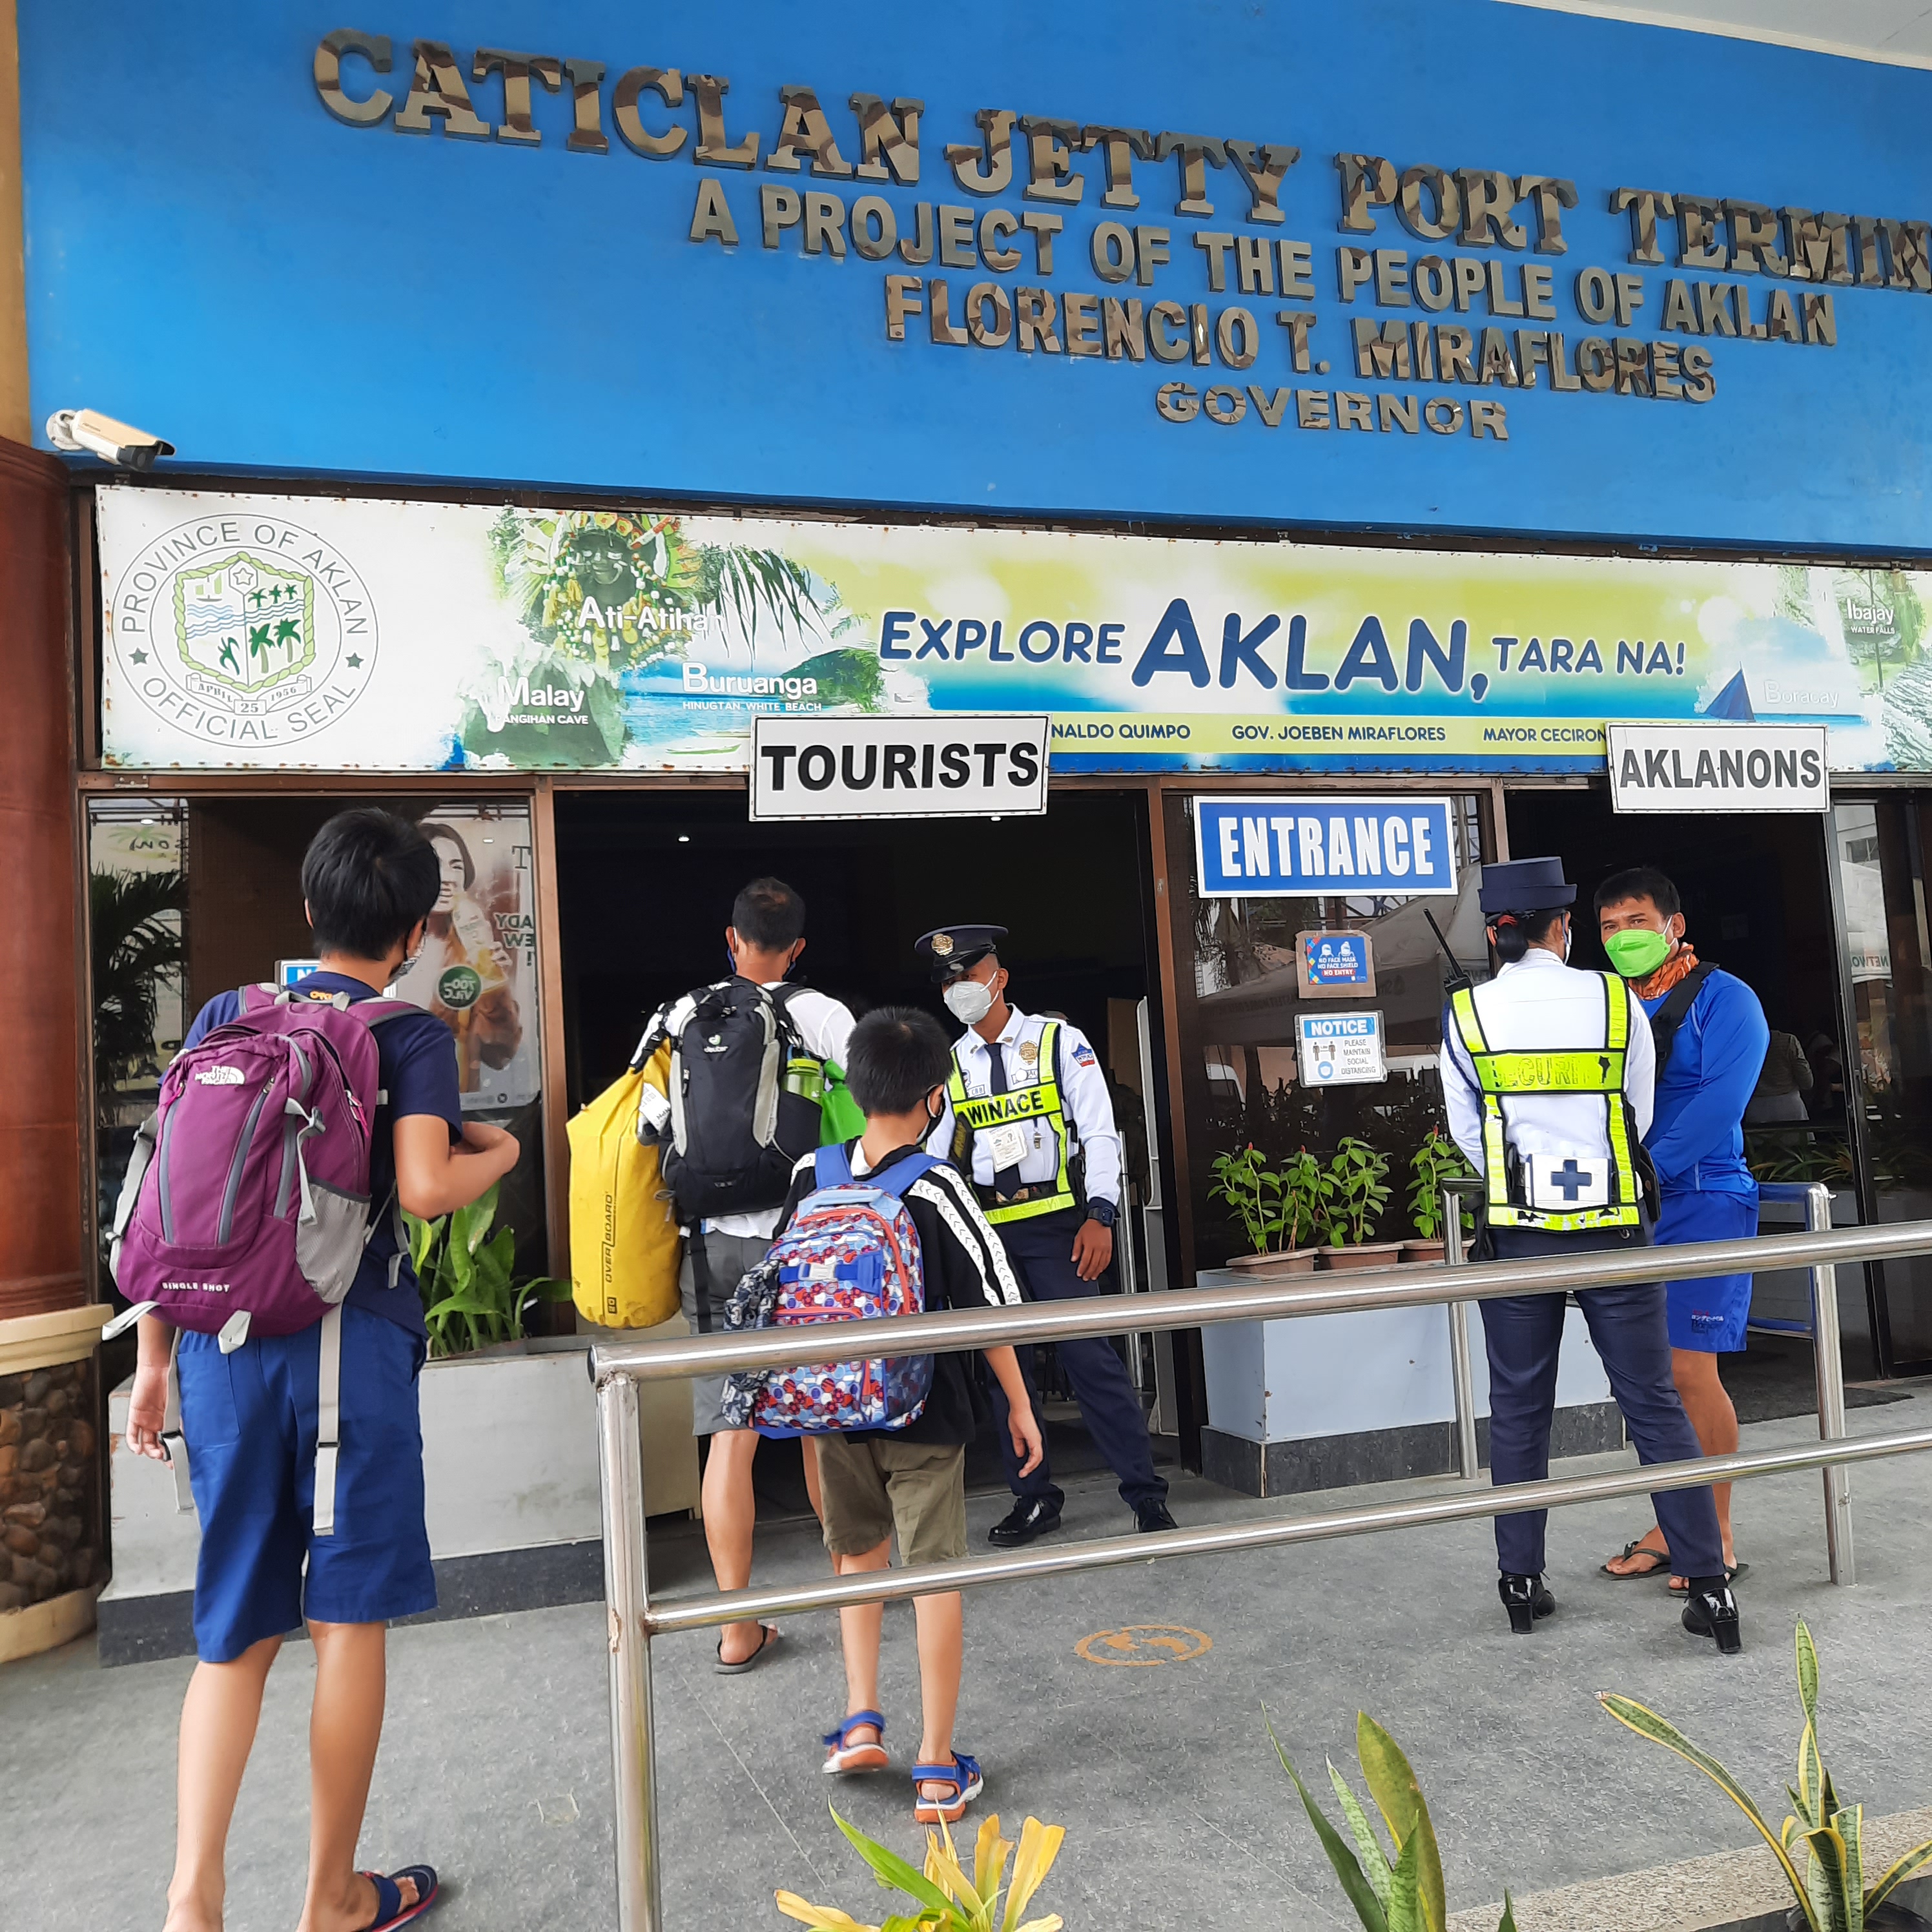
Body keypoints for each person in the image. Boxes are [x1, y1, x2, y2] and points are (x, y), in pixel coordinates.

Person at [125, 808, 521, 1932]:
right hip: (347, 1356)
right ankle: (333, 1897)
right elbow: (426, 1189)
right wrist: (500, 1150)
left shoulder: (227, 1016)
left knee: (235, 1628)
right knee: (347, 1622)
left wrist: (154, 1361)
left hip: (216, 1352)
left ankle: (192, 1899)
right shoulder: (408, 1035)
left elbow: (170, 1195)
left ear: (309, 909)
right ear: (415, 931)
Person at [1439, 856, 1740, 1653]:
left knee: (1518, 1407)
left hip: (1517, 1233)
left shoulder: (1466, 1013)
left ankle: (1519, 1580)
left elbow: (1468, 1133)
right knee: (1652, 1400)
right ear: (1564, 927)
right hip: (1613, 1226)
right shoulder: (1615, 1000)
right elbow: (1635, 1113)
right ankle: (1709, 1586)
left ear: (1496, 934)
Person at [772, 1007, 1043, 1824]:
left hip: (833, 1408)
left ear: (856, 1089)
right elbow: (991, 1303)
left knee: (856, 1556)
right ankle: (935, 1765)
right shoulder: (937, 1183)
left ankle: (860, 1718)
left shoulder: (810, 1175)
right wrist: (1020, 1403)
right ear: (933, 1097)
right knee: (934, 1574)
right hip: (923, 1411)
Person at [917, 924, 1176, 1543]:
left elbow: (1100, 1132)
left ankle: (1145, 1494)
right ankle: (1033, 1498)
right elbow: (937, 1156)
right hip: (989, 1237)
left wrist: (1102, 1214)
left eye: (969, 977)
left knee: (1092, 1361)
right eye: (948, 983)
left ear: (1000, 979)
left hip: (1060, 1230)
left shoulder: (1059, 1042)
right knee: (1007, 1373)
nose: (959, 989)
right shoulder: (949, 1064)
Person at [662, 876, 856, 1671]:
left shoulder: (682, 1014)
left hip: (709, 1248)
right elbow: (893, 1096)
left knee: (729, 1436)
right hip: (798, 1244)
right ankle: (852, 1591)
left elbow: (648, 1124)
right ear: (798, 946)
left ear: (731, 939)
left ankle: (736, 1627)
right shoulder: (819, 1013)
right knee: (822, 1426)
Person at [1596, 867, 1769, 1590]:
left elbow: (1718, 1103)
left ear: (1674, 924)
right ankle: (1674, 1524)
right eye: (1609, 927)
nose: (1622, 937)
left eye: (1636, 921)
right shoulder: (1605, 1004)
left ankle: (1715, 1532)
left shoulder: (1727, 1001)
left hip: (1701, 1200)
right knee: (1648, 1381)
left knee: (1690, 1372)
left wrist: (1643, 1175)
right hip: (1627, 1205)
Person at [391, 819, 522, 1093]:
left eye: (457, 867)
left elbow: (500, 1053)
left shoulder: (471, 946)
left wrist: (495, 989)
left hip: (456, 1101)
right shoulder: (388, 945)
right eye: (436, 865)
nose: (448, 878)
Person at [1745, 1029, 1814, 1125]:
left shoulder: (1744, 1042)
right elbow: (1807, 1082)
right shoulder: (1789, 1041)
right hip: (1790, 1106)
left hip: (1756, 1107)